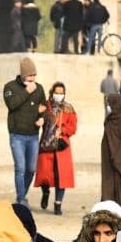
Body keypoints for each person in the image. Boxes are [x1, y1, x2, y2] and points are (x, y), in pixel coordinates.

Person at [3, 57, 45, 207]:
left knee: (31, 169)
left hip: (33, 135)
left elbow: (43, 107)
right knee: (20, 167)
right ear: (22, 75)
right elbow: (12, 105)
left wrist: (42, 118)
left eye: (34, 75)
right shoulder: (10, 87)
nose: (32, 79)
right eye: (29, 76)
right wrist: (27, 91)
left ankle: (22, 193)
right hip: (17, 135)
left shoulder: (39, 88)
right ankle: (21, 198)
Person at [34, 82, 76, 215]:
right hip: (46, 144)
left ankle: (58, 204)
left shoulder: (69, 108)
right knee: (44, 174)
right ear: (52, 92)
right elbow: (37, 117)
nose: (59, 95)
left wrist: (62, 130)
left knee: (61, 176)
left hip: (62, 144)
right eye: (56, 92)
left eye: (61, 93)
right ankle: (45, 192)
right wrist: (39, 119)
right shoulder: (45, 106)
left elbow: (73, 126)